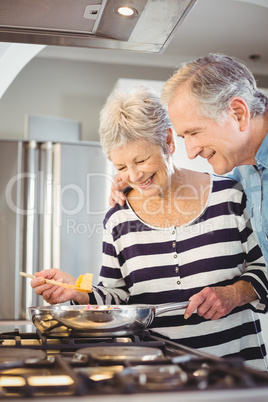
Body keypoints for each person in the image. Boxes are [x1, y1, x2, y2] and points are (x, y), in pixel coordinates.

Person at [31, 87, 268, 371]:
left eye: (141, 160)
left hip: (239, 374)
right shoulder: (118, 219)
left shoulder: (230, 195)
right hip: (157, 377)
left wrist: (234, 294)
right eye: (120, 166)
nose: (133, 175)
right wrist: (78, 293)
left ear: (168, 141)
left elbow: (264, 268)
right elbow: (117, 297)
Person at [111, 54, 268, 265]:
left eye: (194, 132)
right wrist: (134, 177)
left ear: (238, 114)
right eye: (183, 137)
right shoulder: (244, 171)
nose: (191, 152)